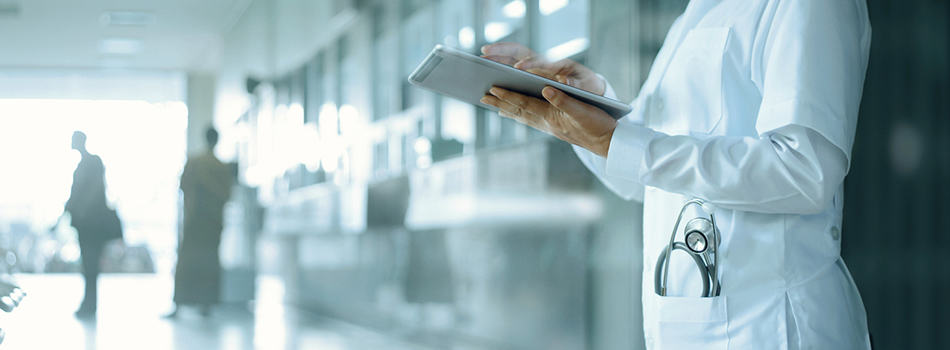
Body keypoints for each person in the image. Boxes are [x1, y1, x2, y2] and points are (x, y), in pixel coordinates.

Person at [479, 0, 872, 348]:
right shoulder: (694, 15)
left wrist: (619, 141)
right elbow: (639, 179)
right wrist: (587, 106)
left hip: (772, 328)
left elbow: (804, 172)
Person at [166, 127, 234, 318]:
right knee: (209, 262)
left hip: (195, 220)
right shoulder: (222, 167)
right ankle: (206, 304)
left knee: (188, 262)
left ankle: (179, 304)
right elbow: (227, 194)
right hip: (213, 222)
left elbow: (183, 187)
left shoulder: (195, 163)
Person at [64, 131, 111, 317]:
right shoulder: (87, 164)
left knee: (90, 265)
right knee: (89, 265)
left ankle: (90, 304)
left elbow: (85, 193)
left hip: (91, 223)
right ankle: (89, 303)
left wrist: (80, 212)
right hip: (89, 223)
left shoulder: (90, 163)